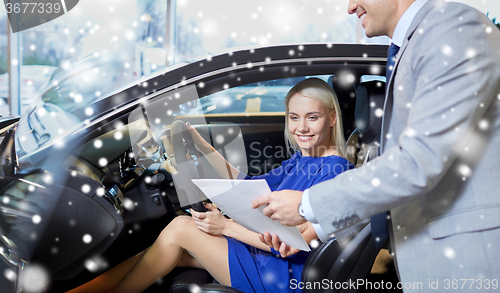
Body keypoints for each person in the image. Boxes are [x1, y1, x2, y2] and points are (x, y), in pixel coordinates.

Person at [252, 0, 500, 290]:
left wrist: (307, 206)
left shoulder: (451, 27)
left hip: (464, 258)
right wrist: (314, 229)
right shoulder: (413, 42)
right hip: (428, 256)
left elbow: (418, 162)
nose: (350, 7)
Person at [68, 78, 354, 293]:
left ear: (331, 118)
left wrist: (226, 226)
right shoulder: (304, 158)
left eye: (312, 117)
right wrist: (200, 144)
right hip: (265, 256)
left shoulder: (335, 170)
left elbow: (293, 244)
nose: (301, 128)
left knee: (181, 228)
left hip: (283, 275)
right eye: (294, 117)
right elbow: (248, 183)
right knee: (173, 250)